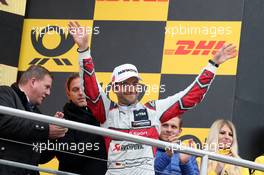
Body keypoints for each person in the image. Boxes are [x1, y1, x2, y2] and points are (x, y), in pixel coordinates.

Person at [68, 21, 237, 175]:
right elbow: (91, 90)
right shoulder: (106, 111)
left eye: (134, 83)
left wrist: (213, 65)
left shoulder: (153, 110)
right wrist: (83, 51)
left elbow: (190, 96)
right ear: (115, 88)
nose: (131, 88)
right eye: (125, 83)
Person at [0, 65, 68, 175]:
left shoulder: (37, 114)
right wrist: (46, 129)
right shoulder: (5, 93)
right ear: (33, 82)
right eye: (47, 87)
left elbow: (41, 158)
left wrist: (55, 135)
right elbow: (4, 122)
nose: (48, 93)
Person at [54, 73, 107, 174]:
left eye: (84, 88)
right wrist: (100, 135)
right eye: (75, 89)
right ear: (68, 94)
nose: (81, 93)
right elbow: (67, 156)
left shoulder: (103, 117)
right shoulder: (63, 120)